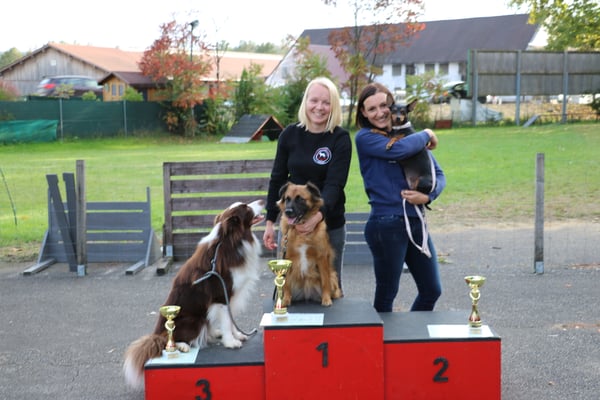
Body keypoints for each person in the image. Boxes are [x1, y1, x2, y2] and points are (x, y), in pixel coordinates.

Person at [354, 83, 446, 312]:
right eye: (372, 109)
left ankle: (412, 335)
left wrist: (428, 197)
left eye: (383, 105)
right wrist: (427, 133)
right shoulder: (366, 138)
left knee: (431, 290)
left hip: (415, 220)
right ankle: (381, 335)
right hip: (386, 224)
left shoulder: (410, 137)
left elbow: (439, 175)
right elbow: (398, 150)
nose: (380, 113)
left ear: (392, 105)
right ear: (363, 113)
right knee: (387, 294)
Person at [263, 77, 352, 290]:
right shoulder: (289, 134)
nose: (319, 107)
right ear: (306, 102)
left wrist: (317, 217)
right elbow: (277, 178)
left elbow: (334, 185)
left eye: (326, 102)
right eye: (314, 100)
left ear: (334, 106)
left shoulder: (340, 138)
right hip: (292, 225)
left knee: (328, 290)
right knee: (289, 289)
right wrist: (269, 221)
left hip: (328, 224)